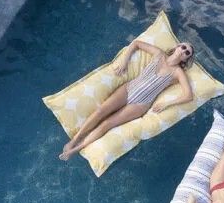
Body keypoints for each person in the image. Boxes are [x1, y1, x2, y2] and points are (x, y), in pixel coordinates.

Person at [59, 40, 196, 160]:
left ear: (185, 59)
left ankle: (74, 150)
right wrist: (125, 61)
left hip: (140, 104)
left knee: (107, 123)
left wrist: (167, 104)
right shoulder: (159, 54)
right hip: (128, 89)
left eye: (187, 53)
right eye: (183, 47)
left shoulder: (178, 73)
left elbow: (188, 95)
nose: (184, 51)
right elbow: (136, 44)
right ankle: (74, 140)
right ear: (177, 46)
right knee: (100, 111)